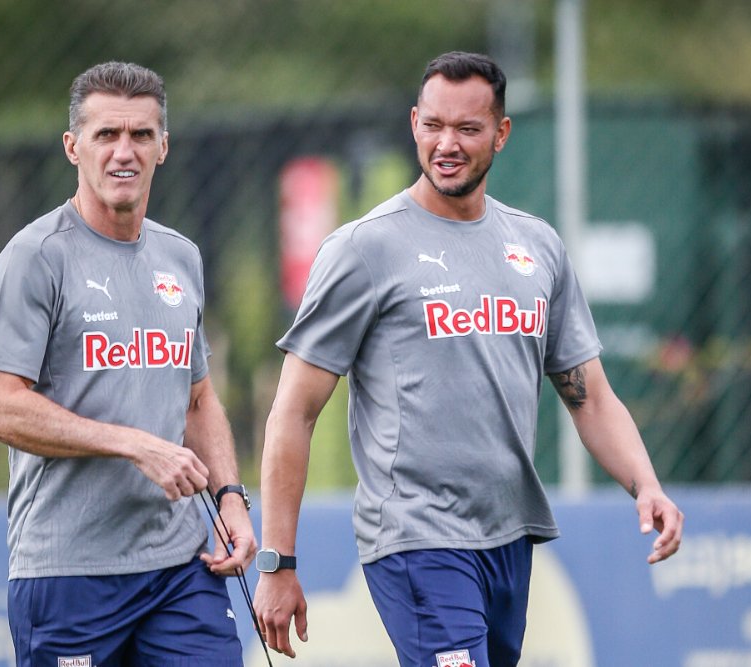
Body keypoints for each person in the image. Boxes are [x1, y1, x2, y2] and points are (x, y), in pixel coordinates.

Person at [252, 51, 684, 667]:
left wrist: (646, 486)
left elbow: (589, 394)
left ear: (501, 133)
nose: (446, 144)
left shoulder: (536, 246)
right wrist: (278, 561)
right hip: (417, 538)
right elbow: (293, 412)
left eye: (467, 128)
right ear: (414, 123)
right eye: (433, 125)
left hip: (510, 538)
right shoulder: (364, 249)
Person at [0, 61, 256, 667]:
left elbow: (197, 398)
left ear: (163, 147)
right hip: (70, 571)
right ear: (73, 147)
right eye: (107, 134)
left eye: (141, 135)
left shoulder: (181, 256)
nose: (124, 152)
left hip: (181, 566)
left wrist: (231, 496)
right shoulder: (35, 257)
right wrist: (133, 444)